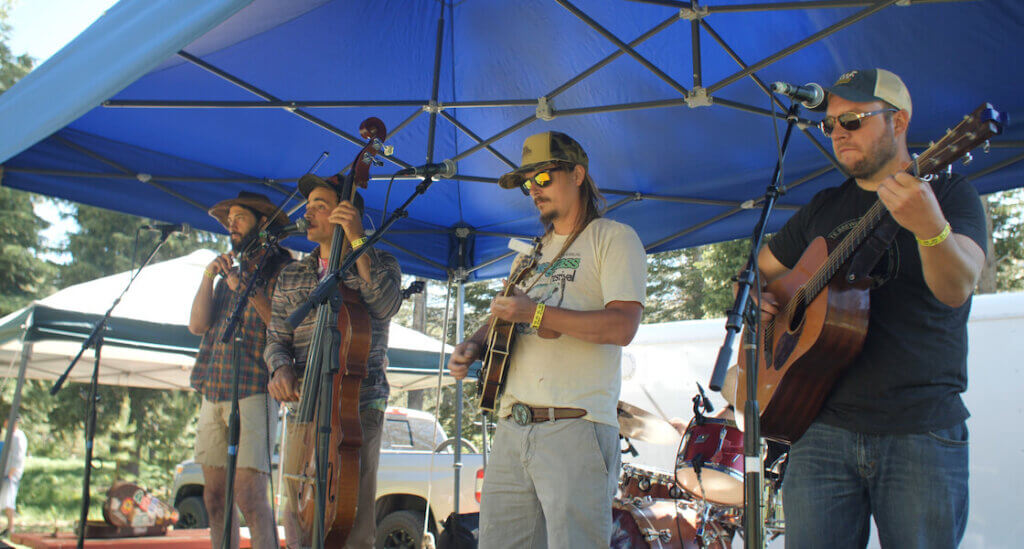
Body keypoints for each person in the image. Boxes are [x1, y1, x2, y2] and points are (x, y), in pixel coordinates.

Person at [754, 69, 986, 548]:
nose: (839, 132)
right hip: (819, 426)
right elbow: (762, 269)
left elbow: (957, 287)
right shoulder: (823, 206)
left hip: (918, 428)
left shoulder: (948, 193)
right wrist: (768, 299)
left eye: (854, 119)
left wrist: (930, 228)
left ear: (898, 122)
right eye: (831, 124)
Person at [448, 131, 647, 547]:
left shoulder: (612, 237)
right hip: (512, 427)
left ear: (577, 174)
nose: (533, 191)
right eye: (527, 183)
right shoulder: (530, 254)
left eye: (543, 178)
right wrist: (476, 343)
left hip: (574, 425)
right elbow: (508, 316)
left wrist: (536, 312)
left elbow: (622, 326)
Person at [265, 174, 402, 549]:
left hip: (358, 406)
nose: (307, 213)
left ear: (345, 214)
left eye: (319, 206)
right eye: (307, 206)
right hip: (305, 407)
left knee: (352, 522)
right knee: (298, 513)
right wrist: (281, 367)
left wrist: (358, 240)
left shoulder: (380, 261)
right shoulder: (291, 275)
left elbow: (386, 304)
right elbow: (276, 339)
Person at [189, 191, 294, 549]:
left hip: (253, 391)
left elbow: (283, 329)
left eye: (240, 218)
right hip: (213, 388)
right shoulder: (226, 272)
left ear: (262, 225)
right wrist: (208, 277)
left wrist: (246, 289)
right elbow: (198, 325)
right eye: (229, 219)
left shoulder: (281, 269)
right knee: (215, 499)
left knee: (250, 497)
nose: (231, 225)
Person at [0, 416, 26, 537]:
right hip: (6, 472)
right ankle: (9, 527)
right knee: (5, 500)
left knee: (8, 500)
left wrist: (11, 472)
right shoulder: (11, 436)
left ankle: (11, 528)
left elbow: (17, 456)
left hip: (10, 474)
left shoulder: (17, 437)